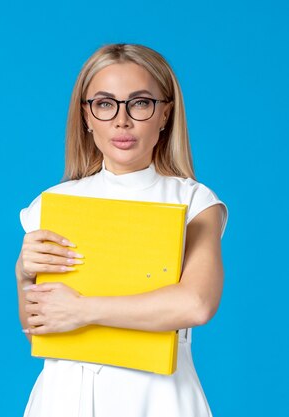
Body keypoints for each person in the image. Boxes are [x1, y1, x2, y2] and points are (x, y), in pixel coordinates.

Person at [15, 43, 228, 417]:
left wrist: (84, 310)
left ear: (165, 114)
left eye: (140, 103)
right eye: (104, 103)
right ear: (86, 115)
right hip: (64, 398)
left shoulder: (194, 202)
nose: (121, 121)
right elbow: (38, 332)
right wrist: (23, 274)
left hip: (157, 398)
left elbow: (196, 303)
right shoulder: (50, 204)